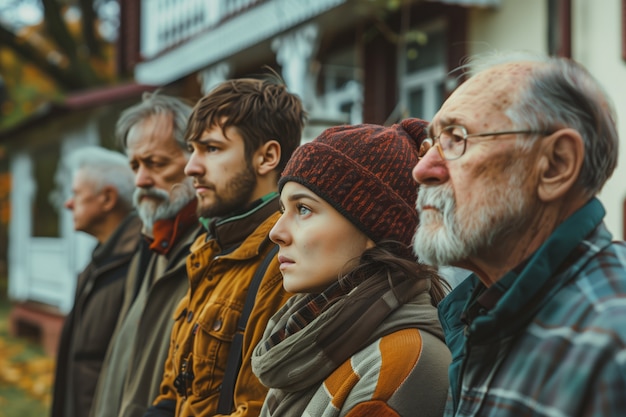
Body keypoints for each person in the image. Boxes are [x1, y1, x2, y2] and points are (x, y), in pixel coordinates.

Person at [410, 50, 626, 416]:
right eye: (431, 144)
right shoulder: (480, 312)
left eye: (457, 138)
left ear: (555, 165)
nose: (422, 169)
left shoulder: (612, 346)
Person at [251, 120, 451, 416]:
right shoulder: (314, 337)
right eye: (283, 210)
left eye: (303, 209)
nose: (276, 232)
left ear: (374, 229)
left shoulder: (399, 363)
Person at [144, 77, 306, 417]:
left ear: (267, 157)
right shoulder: (209, 248)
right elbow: (175, 389)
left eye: (212, 149)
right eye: (192, 149)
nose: (192, 167)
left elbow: (257, 408)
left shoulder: (284, 262)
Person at [89, 92, 203, 417]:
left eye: (156, 163)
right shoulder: (152, 242)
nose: (141, 180)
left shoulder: (209, 249)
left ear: (196, 160)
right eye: (135, 166)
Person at [51, 146, 142, 417]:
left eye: (77, 194)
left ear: (107, 198)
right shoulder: (98, 263)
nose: (68, 203)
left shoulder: (138, 265)